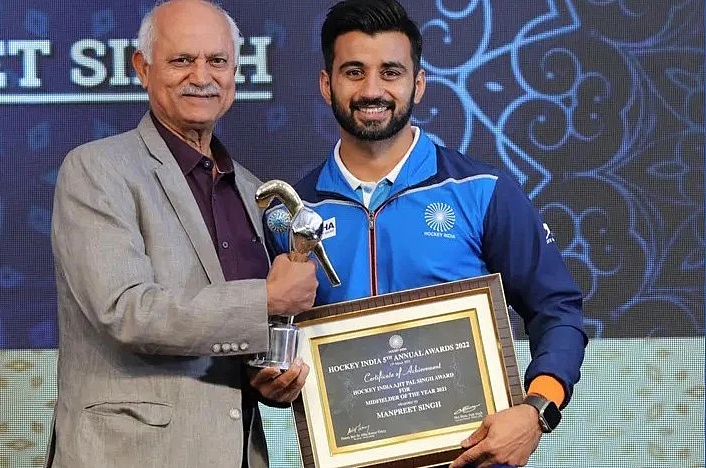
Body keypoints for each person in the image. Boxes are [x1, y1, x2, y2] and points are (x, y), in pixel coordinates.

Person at [263, 1, 587, 467]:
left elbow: (558, 310)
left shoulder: (482, 192)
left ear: (418, 84)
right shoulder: (288, 213)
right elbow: (267, 345)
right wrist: (268, 380)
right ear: (325, 83)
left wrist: (536, 412)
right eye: (353, 71)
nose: (372, 89)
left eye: (390, 72)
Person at [45, 1, 318, 467]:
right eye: (181, 60)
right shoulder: (97, 169)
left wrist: (267, 378)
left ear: (235, 71)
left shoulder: (251, 190)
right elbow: (125, 310)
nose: (201, 75)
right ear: (142, 68)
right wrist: (266, 301)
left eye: (217, 61)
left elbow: (230, 338)